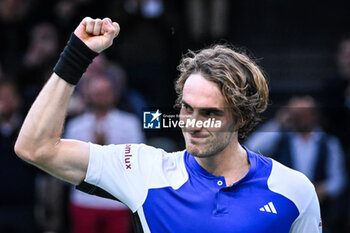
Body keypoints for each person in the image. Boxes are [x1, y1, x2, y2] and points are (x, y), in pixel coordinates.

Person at [15, 17, 322, 232]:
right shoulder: (143, 169)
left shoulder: (294, 191)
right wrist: (76, 56)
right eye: (187, 109)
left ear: (240, 118)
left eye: (209, 113)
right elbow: (35, 147)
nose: (193, 123)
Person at [245, 95, 346, 232]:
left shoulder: (328, 143)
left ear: (315, 115)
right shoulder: (281, 139)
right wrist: (278, 123)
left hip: (322, 210)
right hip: (286, 204)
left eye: (306, 113)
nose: (302, 118)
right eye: (298, 114)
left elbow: (338, 179)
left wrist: (324, 189)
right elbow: (251, 148)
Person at [66, 71, 144, 233]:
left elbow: (138, 162)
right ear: (87, 94)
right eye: (96, 92)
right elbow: (67, 162)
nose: (100, 96)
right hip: (83, 200)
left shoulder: (129, 123)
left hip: (116, 201)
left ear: (114, 94)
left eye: (105, 92)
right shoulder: (75, 125)